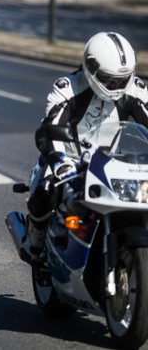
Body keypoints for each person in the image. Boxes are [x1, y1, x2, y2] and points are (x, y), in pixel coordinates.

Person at [22, 32, 148, 261]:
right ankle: (35, 237)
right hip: (69, 160)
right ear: (90, 67)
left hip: (113, 162)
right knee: (48, 187)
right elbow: (51, 127)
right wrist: (58, 160)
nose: (116, 85)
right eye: (109, 79)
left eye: (122, 79)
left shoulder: (135, 90)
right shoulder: (67, 88)